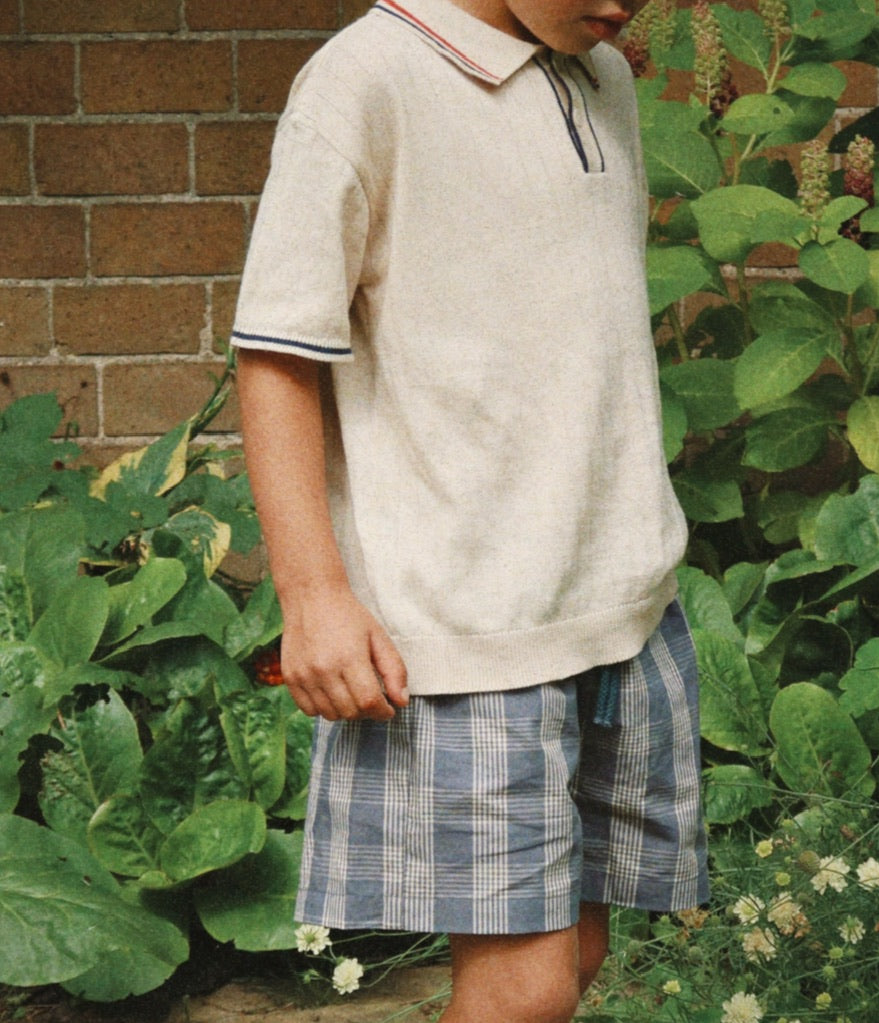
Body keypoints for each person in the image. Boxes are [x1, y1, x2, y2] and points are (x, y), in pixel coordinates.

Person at [232, 1, 707, 1019]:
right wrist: (313, 595)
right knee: (523, 990)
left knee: (573, 960)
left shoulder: (600, 74)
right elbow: (275, 352)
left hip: (617, 606)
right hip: (465, 627)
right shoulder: (365, 82)